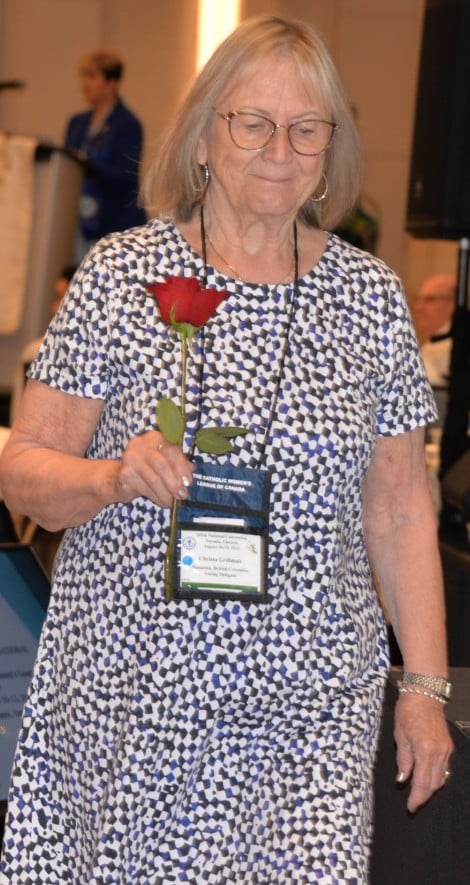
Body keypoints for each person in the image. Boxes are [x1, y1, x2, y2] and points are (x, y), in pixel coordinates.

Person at [0, 15, 453, 883]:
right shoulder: (120, 277)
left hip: (312, 712)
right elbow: (22, 473)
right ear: (204, 135)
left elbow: (400, 508)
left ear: (330, 148)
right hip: (133, 700)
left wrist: (425, 690)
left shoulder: (370, 298)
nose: (280, 149)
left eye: (307, 128)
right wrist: (114, 475)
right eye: (254, 123)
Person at [64, 48, 147, 261]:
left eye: (92, 76)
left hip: (113, 225)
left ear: (112, 83)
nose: (85, 83)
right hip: (78, 225)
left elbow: (125, 176)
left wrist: (85, 164)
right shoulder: (77, 123)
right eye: (83, 76)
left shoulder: (128, 124)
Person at [412, 273, 456, 427]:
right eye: (418, 299)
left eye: (429, 299)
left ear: (454, 302)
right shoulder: (430, 345)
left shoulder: (455, 352)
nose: (418, 307)